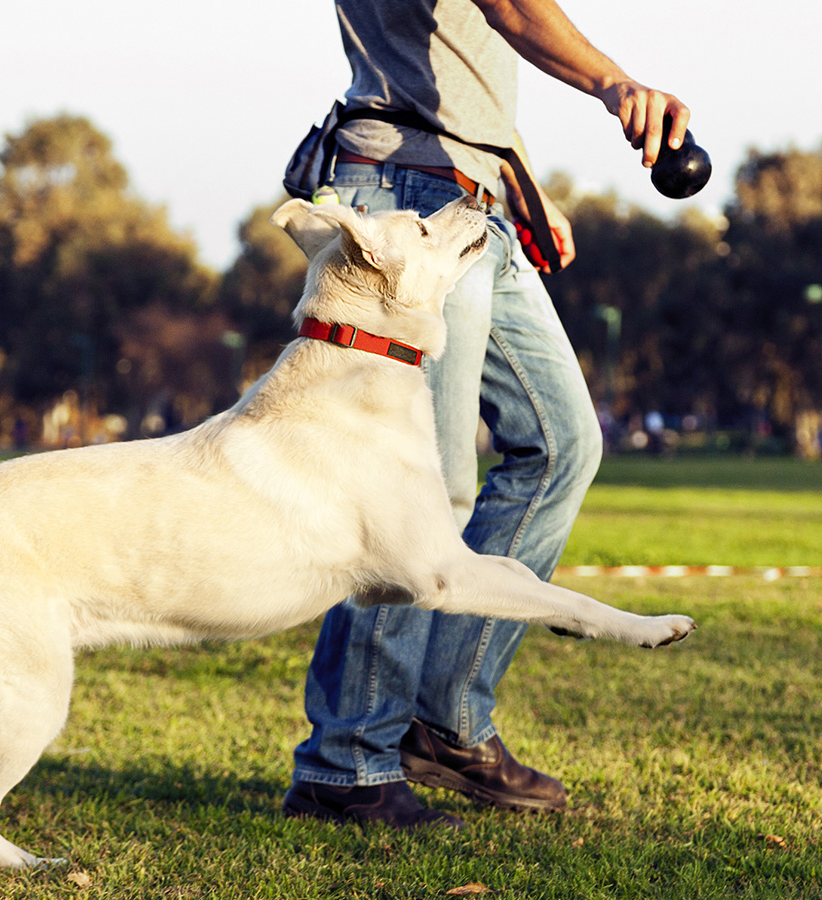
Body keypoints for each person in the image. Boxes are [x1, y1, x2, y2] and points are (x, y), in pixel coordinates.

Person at [282, 0, 692, 829]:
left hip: (474, 200)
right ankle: (348, 762)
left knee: (561, 445)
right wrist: (615, 84)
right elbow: (511, 9)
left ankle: (445, 722)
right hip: (408, 202)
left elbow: (459, 65)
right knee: (419, 500)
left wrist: (520, 181)